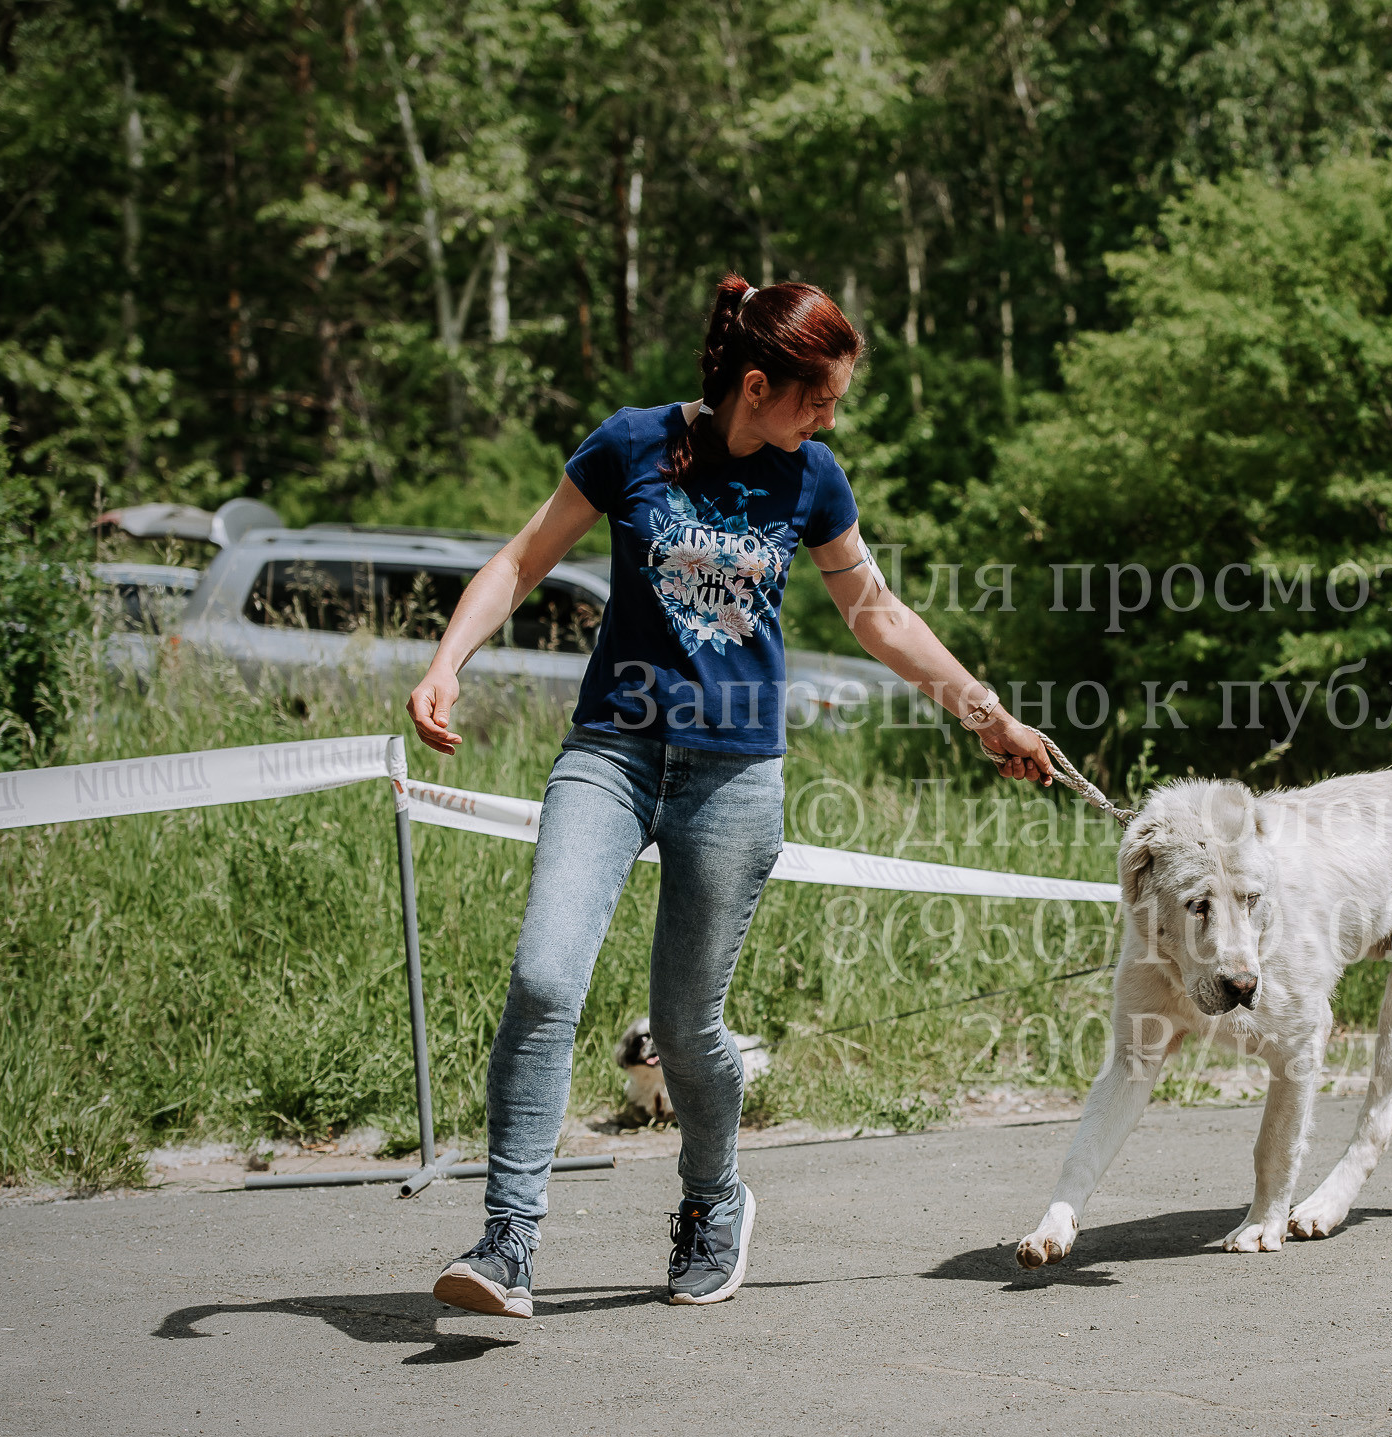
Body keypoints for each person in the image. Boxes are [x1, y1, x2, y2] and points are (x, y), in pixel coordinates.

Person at [408, 276, 1053, 1320]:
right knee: (541, 978)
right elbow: (523, 559)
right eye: (818, 398)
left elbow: (876, 614)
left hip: (733, 773)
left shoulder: (813, 478)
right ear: (757, 384)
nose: (829, 419)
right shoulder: (629, 444)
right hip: (610, 755)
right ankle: (508, 1239)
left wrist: (988, 715)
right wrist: (447, 662)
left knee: (684, 1023)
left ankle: (713, 1201)